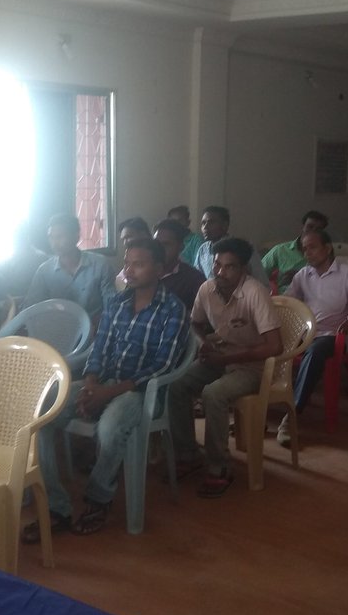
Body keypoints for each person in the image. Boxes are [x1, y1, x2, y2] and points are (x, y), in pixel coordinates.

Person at [20, 238, 188, 541]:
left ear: (159, 269)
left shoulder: (172, 309)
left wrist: (106, 395)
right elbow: (99, 349)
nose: (130, 270)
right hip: (102, 382)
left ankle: (98, 498)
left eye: (139, 264)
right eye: (127, 263)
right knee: (38, 412)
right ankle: (57, 506)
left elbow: (163, 366)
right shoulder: (117, 303)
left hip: (141, 393)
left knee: (109, 429)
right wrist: (92, 385)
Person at [167, 238, 282, 498]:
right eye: (217, 265)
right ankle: (188, 453)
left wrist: (227, 359)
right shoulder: (207, 289)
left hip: (251, 367)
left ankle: (219, 467)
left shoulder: (255, 292)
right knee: (176, 385)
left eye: (229, 267)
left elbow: (275, 346)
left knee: (213, 394)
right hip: (219, 357)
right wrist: (203, 342)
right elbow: (194, 324)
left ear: (244, 269)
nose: (220, 272)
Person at [279, 229, 348, 446]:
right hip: (304, 332)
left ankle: (292, 415)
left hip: (332, 334)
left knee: (315, 352)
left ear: (327, 248)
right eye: (305, 249)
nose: (307, 253)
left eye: (312, 247)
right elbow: (289, 302)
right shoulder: (303, 275)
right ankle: (262, 408)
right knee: (270, 347)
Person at [22, 213, 115, 327]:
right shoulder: (44, 271)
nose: (54, 243)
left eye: (60, 237)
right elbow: (31, 307)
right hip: (58, 332)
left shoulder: (100, 265)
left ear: (76, 237)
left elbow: (112, 305)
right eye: (51, 237)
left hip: (95, 330)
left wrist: (99, 328)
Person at [192, 205, 267, 283]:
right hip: (212, 293)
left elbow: (261, 280)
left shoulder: (242, 247)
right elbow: (196, 278)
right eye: (203, 223)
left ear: (225, 225)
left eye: (211, 222)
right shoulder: (203, 250)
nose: (205, 227)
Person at [260, 210, 329, 293]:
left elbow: (328, 281)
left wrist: (300, 277)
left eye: (318, 229)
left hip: (313, 298)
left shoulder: (324, 254)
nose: (312, 231)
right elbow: (259, 274)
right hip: (284, 299)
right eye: (310, 227)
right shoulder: (280, 250)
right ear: (303, 227)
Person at [153, 218, 206, 309]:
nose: (159, 249)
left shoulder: (194, 279)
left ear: (181, 247)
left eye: (166, 244)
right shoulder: (144, 273)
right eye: (156, 244)